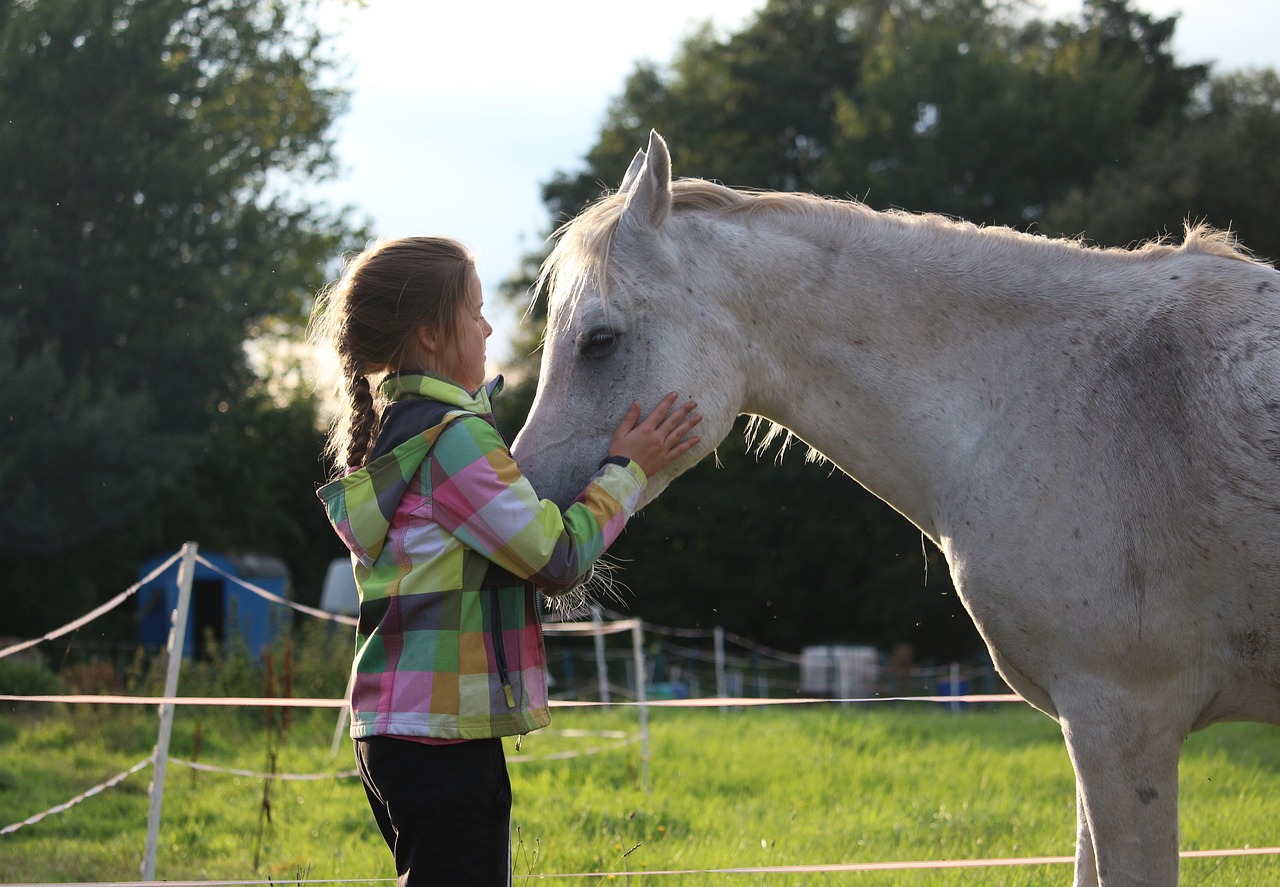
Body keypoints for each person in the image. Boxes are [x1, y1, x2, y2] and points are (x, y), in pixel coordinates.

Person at [310, 236, 701, 886]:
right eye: (475, 311)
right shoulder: (455, 439)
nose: (488, 327)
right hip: (444, 739)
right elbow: (557, 557)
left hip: (394, 731)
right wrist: (627, 473)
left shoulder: (397, 434)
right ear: (433, 335)